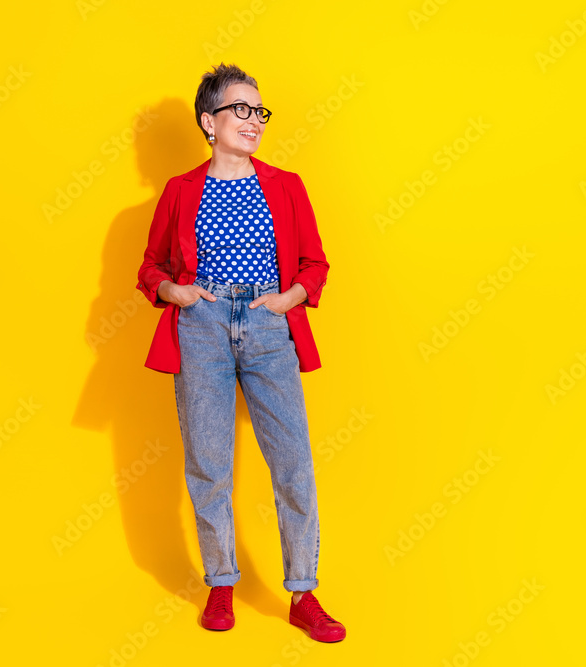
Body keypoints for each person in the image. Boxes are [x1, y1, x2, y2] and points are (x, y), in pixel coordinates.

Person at [135, 63, 345, 643]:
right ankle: (221, 581)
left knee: (293, 461)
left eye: (259, 111)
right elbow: (149, 266)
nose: (254, 121)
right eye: (241, 110)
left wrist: (288, 299)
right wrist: (174, 291)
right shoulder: (181, 190)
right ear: (209, 121)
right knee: (208, 462)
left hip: (267, 324)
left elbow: (316, 263)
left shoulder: (286, 186)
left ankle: (303, 592)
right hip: (201, 326)